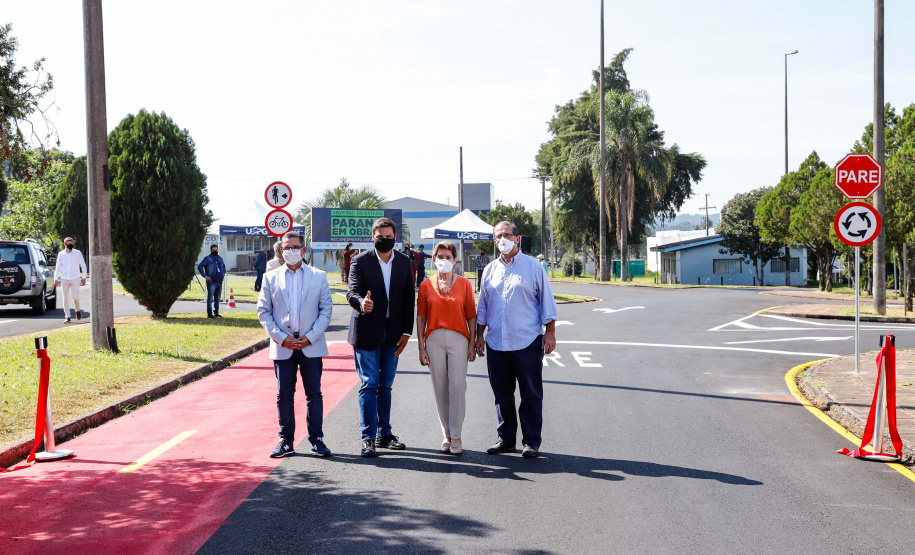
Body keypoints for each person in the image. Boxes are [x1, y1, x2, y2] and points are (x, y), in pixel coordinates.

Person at [475, 221, 558, 459]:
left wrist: (550, 332)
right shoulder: (490, 269)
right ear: (494, 241)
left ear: (517, 238)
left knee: (530, 394)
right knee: (502, 394)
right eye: (498, 236)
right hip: (496, 343)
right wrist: (478, 336)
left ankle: (531, 441)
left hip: (527, 342)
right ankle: (506, 440)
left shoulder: (533, 267)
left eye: (507, 235)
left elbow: (547, 303)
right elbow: (483, 307)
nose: (503, 239)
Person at [257, 231, 334, 459]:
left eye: (294, 247)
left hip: (311, 344)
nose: (289, 251)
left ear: (304, 250)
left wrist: (309, 337)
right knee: (284, 395)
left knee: (314, 394)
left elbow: (326, 311)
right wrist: (282, 338)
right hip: (283, 345)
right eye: (286, 247)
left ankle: (317, 440)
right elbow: (264, 311)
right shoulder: (270, 277)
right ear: (281, 250)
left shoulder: (318, 276)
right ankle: (286, 440)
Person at [346, 217, 414, 458]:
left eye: (388, 237)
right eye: (379, 236)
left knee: (385, 385)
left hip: (394, 333)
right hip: (366, 331)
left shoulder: (405, 262)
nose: (384, 240)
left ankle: (385, 434)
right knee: (369, 384)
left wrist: (407, 332)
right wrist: (360, 303)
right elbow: (352, 292)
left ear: (395, 238)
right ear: (372, 236)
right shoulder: (360, 261)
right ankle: (368, 438)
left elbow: (408, 299)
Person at [416, 241, 476, 455]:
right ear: (434, 259)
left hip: (458, 338)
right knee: (440, 387)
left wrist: (472, 342)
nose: (444, 261)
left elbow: (471, 315)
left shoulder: (465, 285)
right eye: (440, 257)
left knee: (458, 386)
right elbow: (421, 317)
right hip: (433, 339)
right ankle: (447, 435)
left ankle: (457, 436)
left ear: (455, 260)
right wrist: (421, 347)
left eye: (448, 257)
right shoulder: (425, 285)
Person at [53, 237, 87, 324]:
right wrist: (55, 279)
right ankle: (67, 316)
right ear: (65, 244)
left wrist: (83, 277)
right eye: (69, 244)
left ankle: (77, 310)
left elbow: (83, 265)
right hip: (64, 279)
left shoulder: (77, 253)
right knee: (65, 298)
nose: (70, 245)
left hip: (75, 278)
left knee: (75, 297)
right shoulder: (61, 254)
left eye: (72, 244)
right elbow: (58, 267)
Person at [197, 244, 226, 318]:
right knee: (210, 299)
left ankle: (216, 313)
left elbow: (224, 267)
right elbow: (200, 266)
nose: (215, 252)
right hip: (212, 281)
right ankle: (209, 314)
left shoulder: (220, 259)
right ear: (211, 250)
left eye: (216, 250)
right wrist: (205, 276)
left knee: (217, 298)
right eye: (213, 251)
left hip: (219, 281)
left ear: (218, 250)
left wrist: (222, 274)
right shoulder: (208, 258)